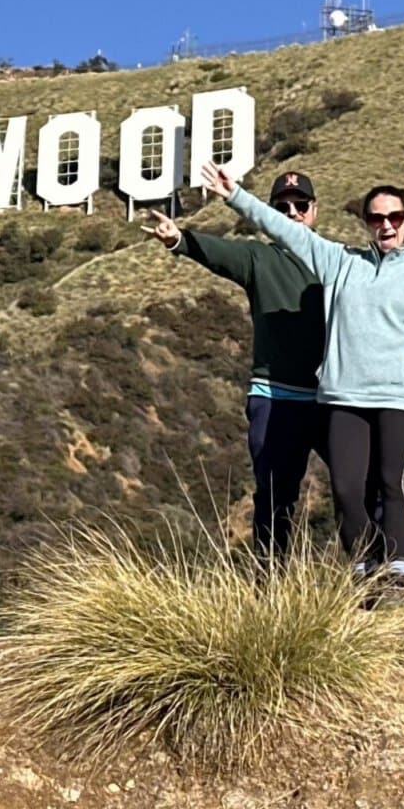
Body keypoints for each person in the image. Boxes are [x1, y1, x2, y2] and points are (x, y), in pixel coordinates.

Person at [200, 161, 404, 584]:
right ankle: (365, 567)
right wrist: (237, 196)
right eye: (377, 217)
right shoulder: (339, 262)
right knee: (348, 491)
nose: (386, 225)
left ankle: (397, 574)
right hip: (343, 399)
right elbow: (286, 232)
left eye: (395, 217)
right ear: (367, 222)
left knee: (392, 485)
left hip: (397, 401)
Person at [141, 170, 327, 559]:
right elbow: (217, 253)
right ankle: (269, 585)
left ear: (314, 211)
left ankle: (374, 576)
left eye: (300, 205)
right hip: (276, 398)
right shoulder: (258, 257)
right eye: (281, 206)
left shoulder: (336, 261)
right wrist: (178, 240)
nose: (292, 212)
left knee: (357, 485)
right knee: (275, 498)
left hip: (333, 397)